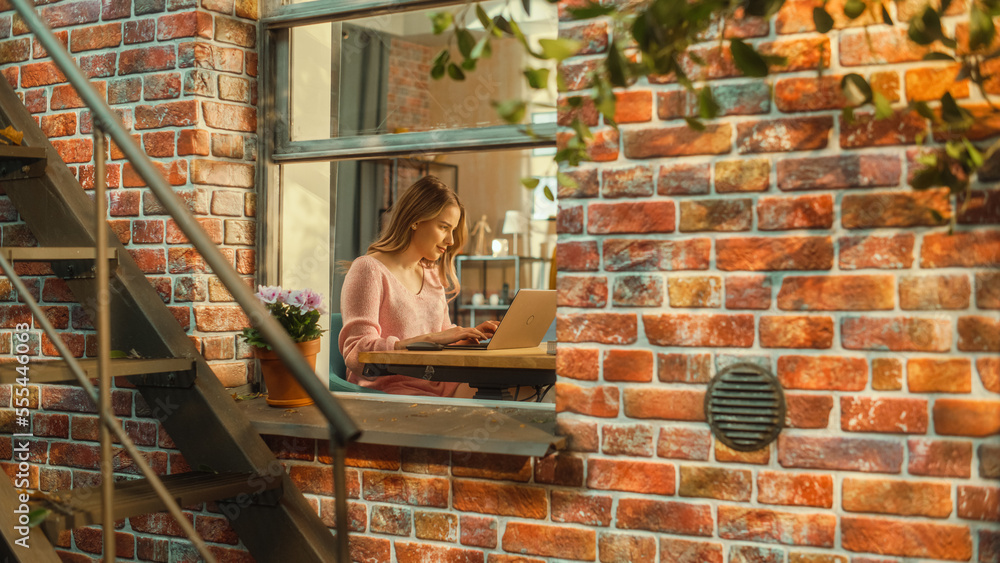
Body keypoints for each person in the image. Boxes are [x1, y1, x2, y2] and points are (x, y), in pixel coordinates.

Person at [338, 176, 499, 396]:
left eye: (453, 230)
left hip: (439, 381)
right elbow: (357, 354)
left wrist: (466, 335)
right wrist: (429, 339)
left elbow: (441, 337)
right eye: (444, 227)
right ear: (415, 220)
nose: (451, 240)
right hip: (392, 389)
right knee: (495, 400)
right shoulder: (369, 270)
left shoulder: (432, 275)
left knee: (518, 388)